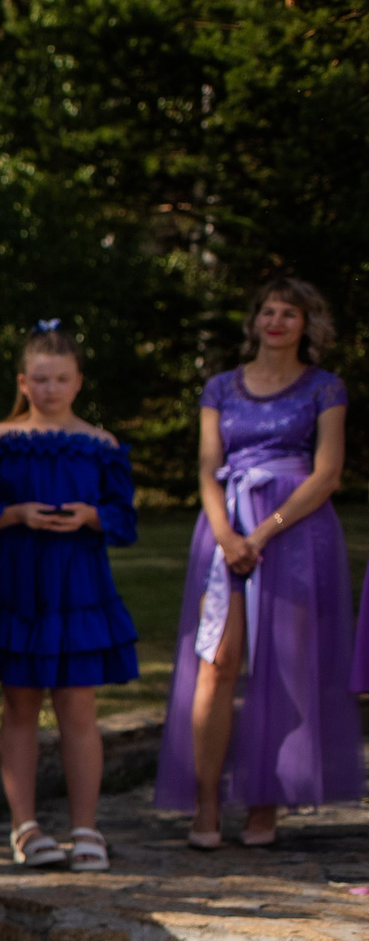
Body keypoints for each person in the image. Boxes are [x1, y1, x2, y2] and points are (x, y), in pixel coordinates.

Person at [157, 278, 360, 845]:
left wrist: (266, 531)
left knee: (281, 664)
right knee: (216, 662)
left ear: (307, 324)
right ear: (254, 321)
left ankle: (263, 803)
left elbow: (328, 473)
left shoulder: (325, 387)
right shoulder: (221, 386)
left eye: (288, 313)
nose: (276, 321)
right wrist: (228, 535)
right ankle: (206, 804)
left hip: (296, 530)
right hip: (225, 529)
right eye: (267, 311)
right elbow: (207, 467)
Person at [0, 324, 139, 871]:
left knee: (78, 705)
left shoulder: (101, 444)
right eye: (40, 379)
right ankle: (25, 827)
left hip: (78, 584)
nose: (50, 388)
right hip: (17, 582)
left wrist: (92, 516)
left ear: (78, 381)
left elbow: (126, 517)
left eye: (61, 379)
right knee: (19, 703)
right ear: (23, 381)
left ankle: (86, 827)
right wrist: (14, 514)